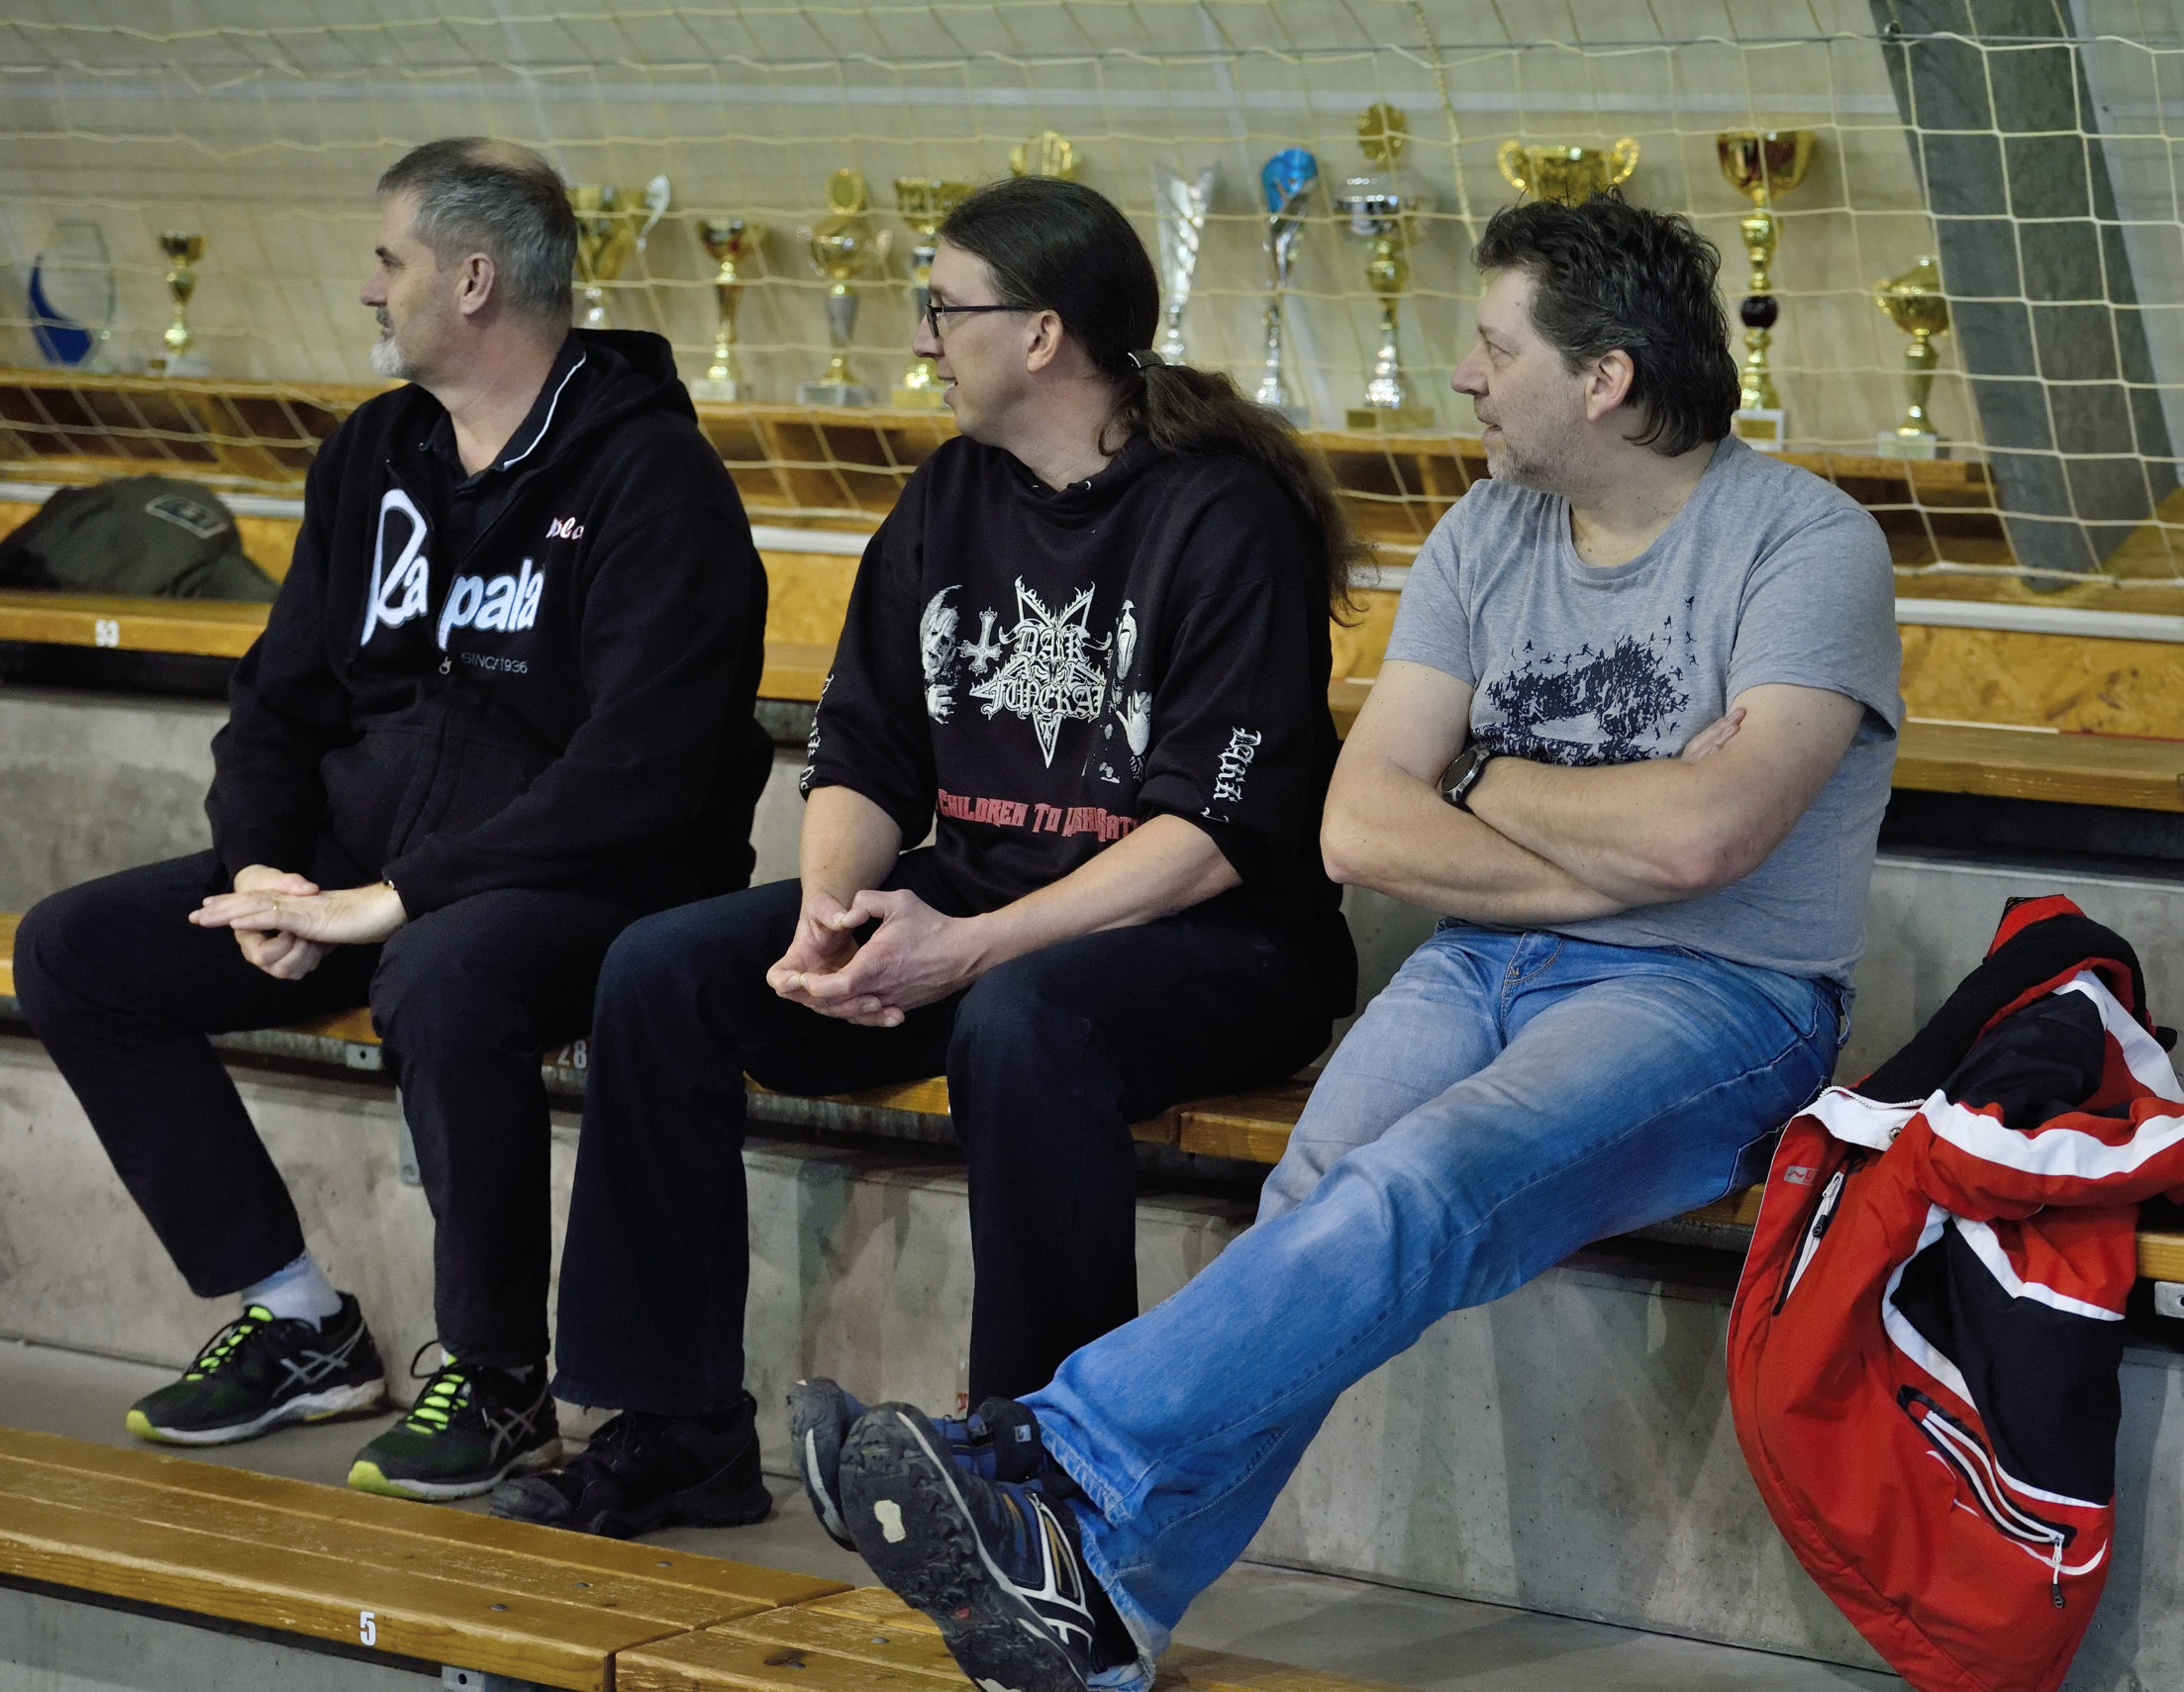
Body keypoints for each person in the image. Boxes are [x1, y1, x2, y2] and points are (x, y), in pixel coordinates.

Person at [800, 192, 1907, 1692]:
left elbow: (1711, 844)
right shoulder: (1486, 529)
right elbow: (1359, 827)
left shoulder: (1806, 543)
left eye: (1496, 345)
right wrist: (1600, 826)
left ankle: (1042, 1450)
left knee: (1415, 1186)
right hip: (1480, 960)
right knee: (1316, 1204)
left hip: (1720, 994)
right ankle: (1097, 1615)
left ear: (1606, 378)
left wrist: (1485, 784)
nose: (1464, 374)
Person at [487, 175, 1360, 1538]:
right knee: (662, 971)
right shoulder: (950, 492)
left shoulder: (1222, 515)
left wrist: (969, 948)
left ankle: (1044, 1478)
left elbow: (1211, 835)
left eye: (944, 310)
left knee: (1023, 1020)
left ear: (1042, 334)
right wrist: (828, 917)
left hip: (1216, 940)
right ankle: (674, 1427)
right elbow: (865, 748)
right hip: (981, 905)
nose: (920, 339)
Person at [12, 138, 772, 1502]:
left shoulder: (652, 478)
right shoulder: (373, 451)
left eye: (388, 259)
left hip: (600, 880)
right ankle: (298, 1319)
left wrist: (398, 897)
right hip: (373, 867)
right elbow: (279, 702)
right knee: (75, 947)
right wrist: (264, 867)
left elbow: (637, 774)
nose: (371, 288)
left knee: (443, 969)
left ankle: (497, 1376)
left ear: (473, 280)